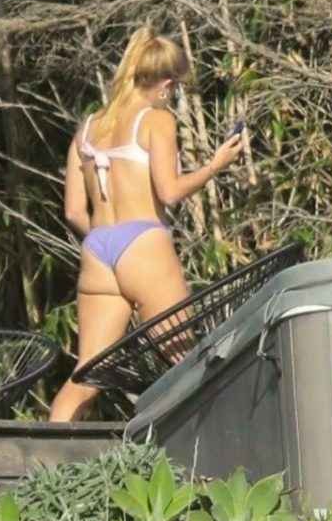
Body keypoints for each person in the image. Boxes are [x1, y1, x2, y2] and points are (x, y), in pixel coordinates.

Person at [49, 26, 243, 421]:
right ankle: (205, 459)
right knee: (185, 357)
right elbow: (169, 193)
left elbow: (72, 211)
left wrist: (112, 246)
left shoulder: (88, 127)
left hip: (98, 248)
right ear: (167, 84)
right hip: (143, 242)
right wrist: (214, 166)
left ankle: (42, 464)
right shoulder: (156, 120)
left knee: (87, 375)